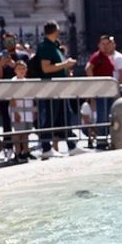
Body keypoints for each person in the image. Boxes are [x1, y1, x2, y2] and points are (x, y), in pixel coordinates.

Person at [35, 20, 78, 159]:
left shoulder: (54, 46)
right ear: (55, 31)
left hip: (60, 88)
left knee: (66, 116)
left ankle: (72, 146)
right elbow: (46, 68)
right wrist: (66, 64)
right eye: (58, 31)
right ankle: (46, 148)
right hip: (51, 88)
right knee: (50, 117)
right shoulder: (45, 47)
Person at [0, 32, 29, 150]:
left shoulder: (23, 56)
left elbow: (27, 74)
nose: (10, 44)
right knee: (7, 121)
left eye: (12, 41)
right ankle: (8, 147)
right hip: (5, 93)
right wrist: (1, 65)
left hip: (21, 93)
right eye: (7, 41)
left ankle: (24, 148)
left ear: (16, 40)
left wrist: (15, 66)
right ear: (3, 42)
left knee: (24, 120)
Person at [8, 60, 34, 162]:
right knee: (18, 133)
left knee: (26, 133)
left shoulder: (27, 81)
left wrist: (33, 111)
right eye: (19, 68)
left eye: (23, 68)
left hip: (27, 110)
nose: (21, 70)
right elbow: (12, 98)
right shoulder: (13, 81)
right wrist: (16, 112)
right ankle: (17, 153)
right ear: (15, 70)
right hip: (18, 110)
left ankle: (26, 152)